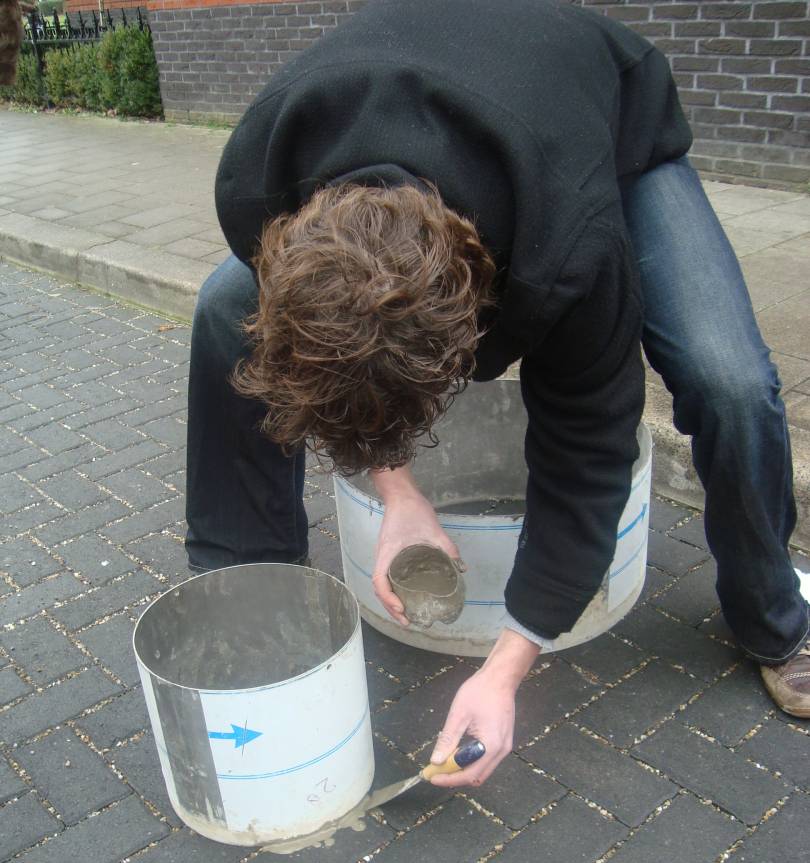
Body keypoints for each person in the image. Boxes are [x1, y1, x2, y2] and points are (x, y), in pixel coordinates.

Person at [186, 0, 809, 788]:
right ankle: (255, 597)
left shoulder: (569, 250)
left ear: (480, 320)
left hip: (605, 128)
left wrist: (504, 672)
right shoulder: (257, 176)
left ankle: (776, 618)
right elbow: (344, 375)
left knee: (731, 383)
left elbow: (588, 451)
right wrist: (399, 495)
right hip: (435, 93)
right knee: (224, 310)